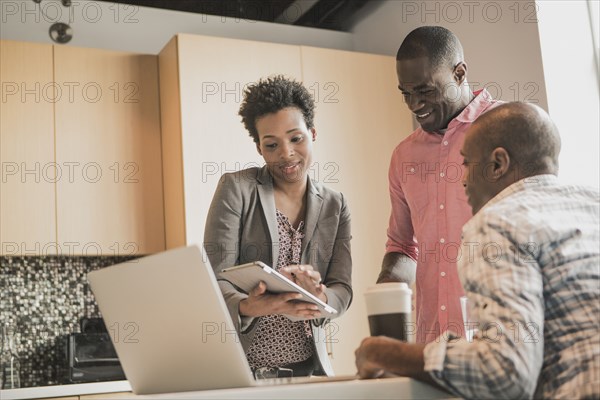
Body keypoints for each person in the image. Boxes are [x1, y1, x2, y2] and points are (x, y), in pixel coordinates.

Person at [355, 102, 600, 399]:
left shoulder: (497, 222)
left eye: (467, 163)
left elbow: (505, 372)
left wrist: (387, 353)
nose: (463, 179)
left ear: (498, 164)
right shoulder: (593, 204)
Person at [204, 75, 352, 377]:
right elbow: (212, 279)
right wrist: (252, 306)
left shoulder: (335, 205)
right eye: (271, 144)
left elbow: (342, 288)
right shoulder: (236, 189)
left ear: (312, 133)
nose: (286, 154)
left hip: (309, 374)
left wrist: (319, 297)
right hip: (245, 374)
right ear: (259, 148)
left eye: (296, 138)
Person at [378, 26, 502, 343]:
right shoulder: (403, 156)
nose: (414, 104)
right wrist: (384, 295)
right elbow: (403, 247)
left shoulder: (508, 128)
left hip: (498, 339)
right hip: (431, 345)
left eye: (426, 91)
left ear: (459, 73)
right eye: (406, 93)